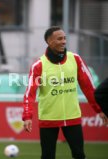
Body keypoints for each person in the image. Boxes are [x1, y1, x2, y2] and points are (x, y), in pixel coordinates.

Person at [22, 26, 107, 159]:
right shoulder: (38, 65)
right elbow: (30, 93)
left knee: (79, 154)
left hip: (72, 117)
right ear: (49, 42)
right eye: (59, 39)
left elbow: (89, 87)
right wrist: (27, 116)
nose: (64, 41)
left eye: (64, 38)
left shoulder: (76, 59)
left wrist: (99, 109)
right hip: (48, 119)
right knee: (47, 156)